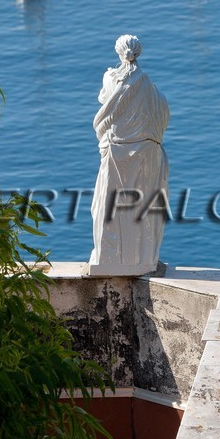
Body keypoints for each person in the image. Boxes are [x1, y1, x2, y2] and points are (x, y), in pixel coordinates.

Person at [89, 35, 171, 276]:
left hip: (116, 152)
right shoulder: (152, 89)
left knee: (109, 207)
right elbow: (163, 116)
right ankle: (143, 258)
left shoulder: (111, 78)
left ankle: (110, 258)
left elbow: (104, 106)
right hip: (148, 154)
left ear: (119, 53)